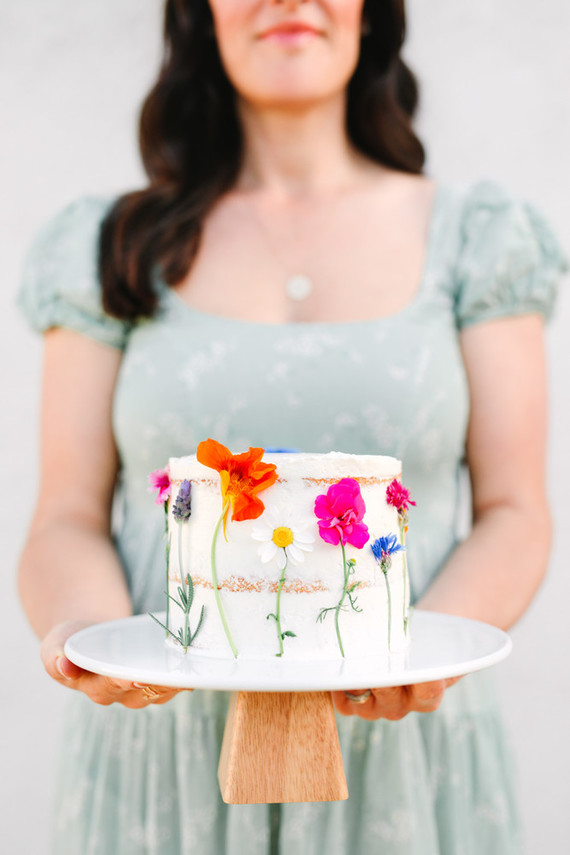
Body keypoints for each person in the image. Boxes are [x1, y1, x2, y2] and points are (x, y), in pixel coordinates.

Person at [17, 1, 568, 853]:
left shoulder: (480, 239)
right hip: (163, 754)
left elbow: (515, 510)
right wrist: (97, 641)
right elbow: (66, 515)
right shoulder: (110, 244)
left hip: (404, 754)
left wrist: (415, 656)